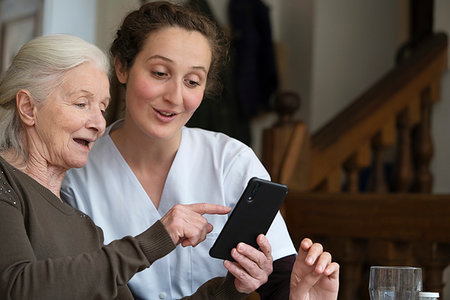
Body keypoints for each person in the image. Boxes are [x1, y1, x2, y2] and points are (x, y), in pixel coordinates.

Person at [60, 1, 307, 299]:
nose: (175, 97)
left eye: (192, 81)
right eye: (160, 73)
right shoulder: (76, 171)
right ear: (122, 67)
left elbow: (281, 281)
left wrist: (303, 292)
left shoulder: (230, 161)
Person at [0, 34, 275, 300]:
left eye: (102, 108)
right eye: (82, 104)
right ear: (27, 107)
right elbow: (17, 290)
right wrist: (156, 239)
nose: (98, 124)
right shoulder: (5, 183)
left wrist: (231, 290)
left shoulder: (82, 224)